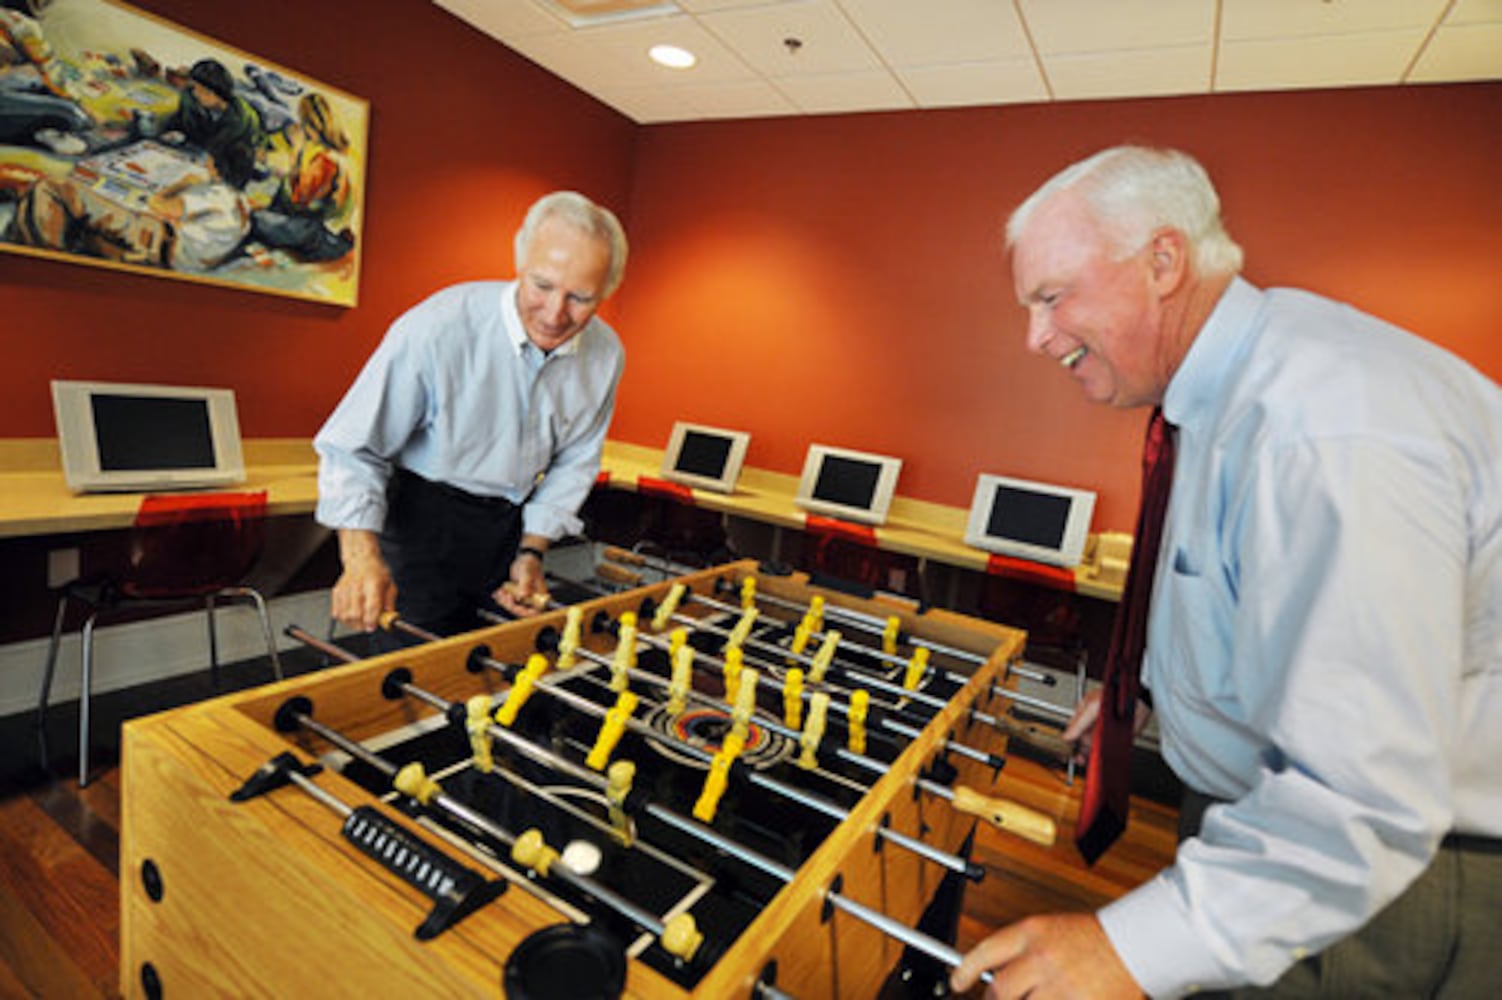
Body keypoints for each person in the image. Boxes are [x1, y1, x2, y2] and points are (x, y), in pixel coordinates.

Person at [952, 146, 1501, 998]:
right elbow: (1246, 594)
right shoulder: (1223, 395)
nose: (1036, 337)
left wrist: (1127, 948)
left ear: (1163, 261)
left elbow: (1366, 798)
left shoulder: (1324, 426)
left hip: (1380, 876)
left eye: (1052, 298)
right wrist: (1158, 692)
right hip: (1270, 835)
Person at [314, 190, 627, 639]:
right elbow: (353, 447)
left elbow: (576, 461)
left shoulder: (606, 354)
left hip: (506, 528)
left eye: (580, 297)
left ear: (606, 292)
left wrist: (532, 551)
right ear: (519, 263)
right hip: (420, 523)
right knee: (408, 685)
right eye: (541, 285)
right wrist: (360, 556)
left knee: (494, 675)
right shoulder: (440, 325)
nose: (556, 313)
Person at [158, 58, 263, 189]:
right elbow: (179, 119)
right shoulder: (191, 97)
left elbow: (223, 150)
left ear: (216, 94)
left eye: (202, 91)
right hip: (190, 154)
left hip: (225, 165)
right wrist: (171, 131)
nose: (196, 93)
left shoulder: (240, 118)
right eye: (194, 87)